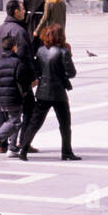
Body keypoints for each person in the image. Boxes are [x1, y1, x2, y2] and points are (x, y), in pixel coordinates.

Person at [17, 23, 79, 161]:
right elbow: (72, 73)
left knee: (35, 122)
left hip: (43, 91)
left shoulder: (40, 51)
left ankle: (23, 149)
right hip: (58, 92)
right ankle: (67, 152)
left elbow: (37, 70)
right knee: (64, 123)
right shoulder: (63, 52)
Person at [0, 34, 38, 158]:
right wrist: (25, 91)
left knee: (14, 120)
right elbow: (22, 80)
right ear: (14, 47)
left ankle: (12, 147)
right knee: (14, 122)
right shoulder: (17, 62)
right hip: (14, 96)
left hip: (3, 97)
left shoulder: (0, 63)